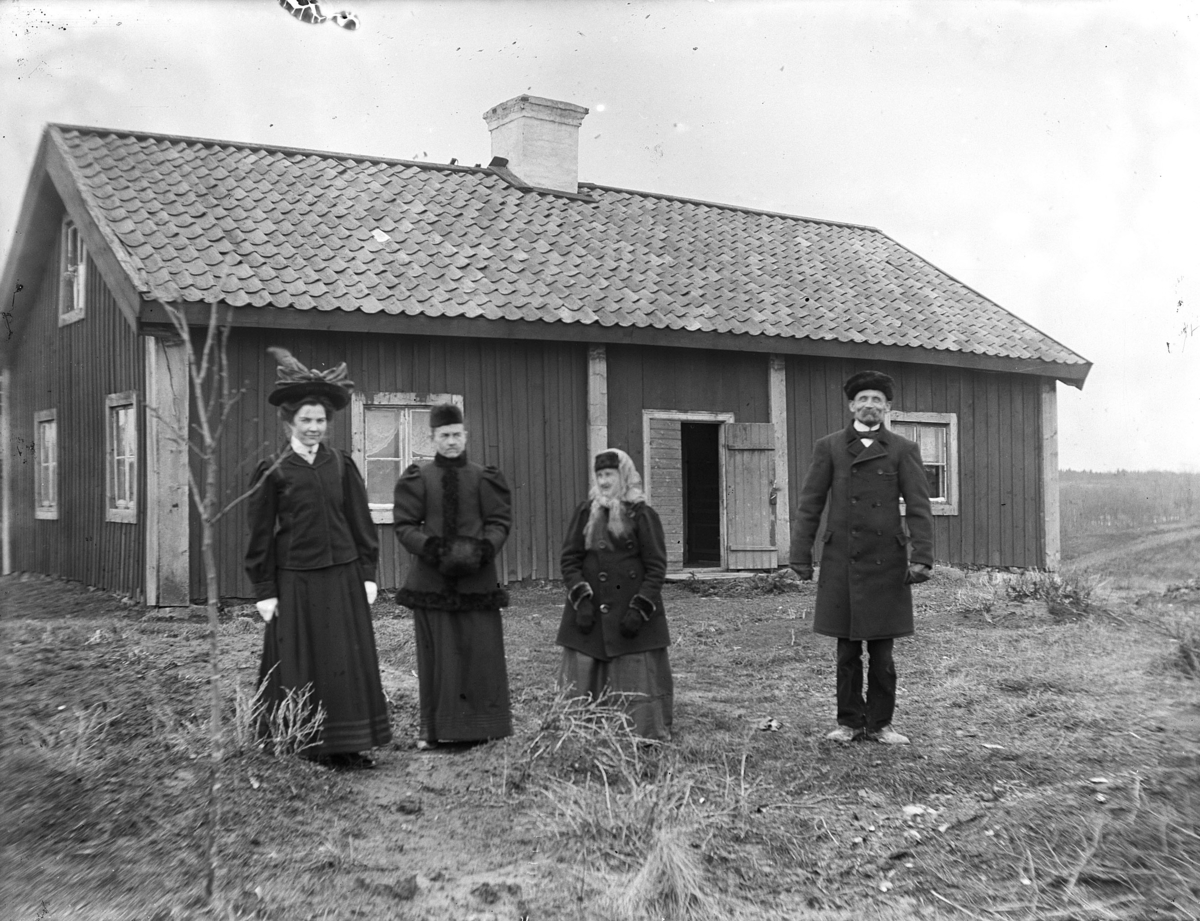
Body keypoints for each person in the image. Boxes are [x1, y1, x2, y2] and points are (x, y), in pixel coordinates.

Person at [245, 347, 392, 769]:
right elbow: (260, 534)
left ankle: (348, 743)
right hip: (297, 583)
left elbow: (360, 522)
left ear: (328, 423)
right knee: (301, 662)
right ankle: (305, 743)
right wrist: (265, 589)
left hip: (342, 579)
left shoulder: (340, 465)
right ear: (289, 422)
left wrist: (367, 572)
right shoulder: (273, 470)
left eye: (320, 421)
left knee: (344, 661)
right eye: (306, 420)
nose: (313, 428)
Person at [789, 370, 933, 745]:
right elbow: (810, 504)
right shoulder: (829, 447)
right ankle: (849, 723)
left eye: (877, 400)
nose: (870, 405)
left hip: (887, 561)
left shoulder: (903, 449)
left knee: (883, 654)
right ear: (852, 405)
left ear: (887, 408)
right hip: (842, 560)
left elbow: (919, 506)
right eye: (863, 399)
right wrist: (800, 555)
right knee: (847, 652)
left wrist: (922, 556)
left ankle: (881, 725)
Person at [392, 403, 513, 750]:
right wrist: (435, 550)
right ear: (432, 438)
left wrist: (482, 550)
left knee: (480, 654)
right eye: (444, 435)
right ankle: (434, 730)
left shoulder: (484, 477)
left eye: (457, 435)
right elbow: (404, 525)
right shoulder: (419, 478)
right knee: (438, 658)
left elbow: (499, 521)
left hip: (478, 582)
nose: (451, 442)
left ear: (465, 436)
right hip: (432, 582)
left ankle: (485, 728)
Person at [557, 448, 673, 741]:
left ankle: (639, 731)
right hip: (590, 611)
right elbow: (569, 560)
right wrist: (580, 598)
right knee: (584, 671)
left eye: (610, 474)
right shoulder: (586, 512)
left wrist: (639, 609)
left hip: (630, 613)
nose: (604, 481)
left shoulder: (643, 515)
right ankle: (584, 731)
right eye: (599, 475)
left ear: (624, 476)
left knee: (635, 672)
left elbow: (656, 567)